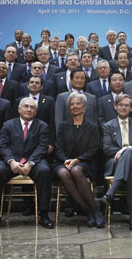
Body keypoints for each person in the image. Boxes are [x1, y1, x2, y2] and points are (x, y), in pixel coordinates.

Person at [0, 98, 54, 229]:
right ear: (19, 109)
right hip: (11, 161)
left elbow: (42, 147)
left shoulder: (43, 126)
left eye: (32, 107)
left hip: (35, 162)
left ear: (36, 111)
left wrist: (30, 163)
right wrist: (11, 162)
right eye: (26, 106)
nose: (29, 109)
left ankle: (44, 215)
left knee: (45, 171)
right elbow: (3, 146)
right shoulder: (8, 125)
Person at [54, 93, 105, 228]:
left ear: (84, 107)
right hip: (64, 162)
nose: (75, 106)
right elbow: (58, 148)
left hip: (86, 162)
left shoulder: (92, 127)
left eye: (78, 104)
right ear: (69, 107)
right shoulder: (63, 126)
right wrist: (66, 160)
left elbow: (93, 150)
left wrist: (77, 160)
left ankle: (95, 211)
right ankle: (88, 211)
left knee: (76, 170)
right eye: (72, 104)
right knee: (63, 173)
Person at [101, 95, 132, 231]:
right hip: (117, 162)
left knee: (130, 155)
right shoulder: (108, 126)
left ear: (131, 108)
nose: (123, 107)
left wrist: (127, 150)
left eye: (127, 105)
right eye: (120, 104)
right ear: (115, 106)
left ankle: (112, 191)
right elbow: (107, 149)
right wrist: (126, 152)